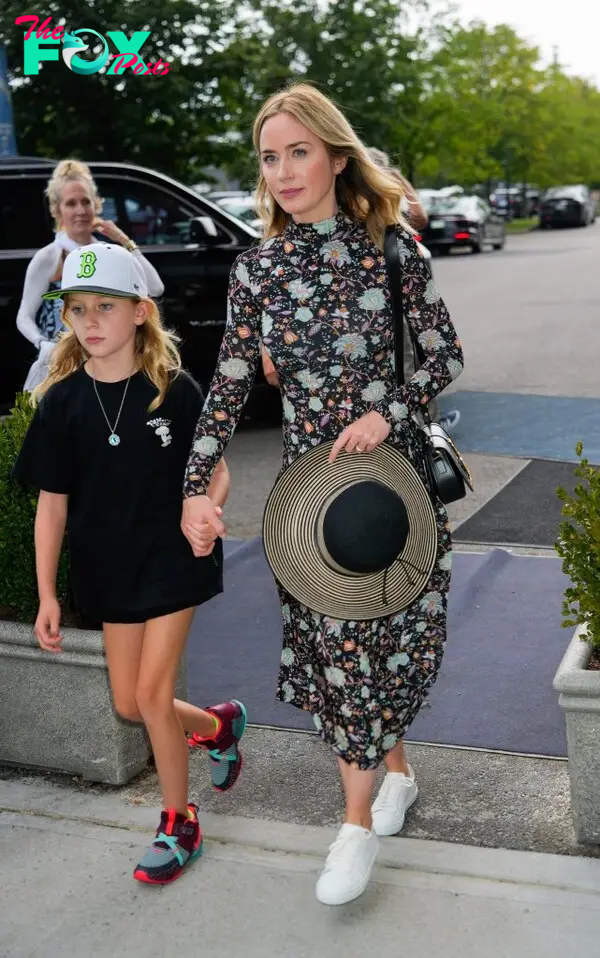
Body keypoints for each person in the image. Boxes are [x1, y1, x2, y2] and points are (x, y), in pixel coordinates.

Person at [181, 83, 464, 905]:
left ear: (338, 156)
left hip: (397, 488)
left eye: (298, 151)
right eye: (270, 157)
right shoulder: (257, 270)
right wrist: (195, 482)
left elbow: (443, 353)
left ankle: (395, 773)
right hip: (312, 505)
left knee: (396, 646)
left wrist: (389, 409)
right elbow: (227, 386)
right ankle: (353, 826)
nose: (283, 170)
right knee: (342, 654)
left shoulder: (393, 248)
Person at [12, 243, 247, 886]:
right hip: (108, 571)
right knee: (129, 701)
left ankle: (179, 821)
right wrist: (47, 595)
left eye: (105, 307)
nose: (90, 321)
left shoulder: (172, 389)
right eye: (77, 309)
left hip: (172, 561)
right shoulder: (60, 402)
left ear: (140, 312)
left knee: (149, 693)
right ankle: (218, 726)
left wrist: (204, 511)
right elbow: (50, 510)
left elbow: (216, 472)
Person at [16, 159, 165, 393]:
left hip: (108, 362)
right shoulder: (50, 257)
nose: (80, 210)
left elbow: (154, 288)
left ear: (96, 205)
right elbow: (24, 316)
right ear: (57, 210)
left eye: (86, 201)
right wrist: (43, 344)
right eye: (71, 203)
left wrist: (124, 241)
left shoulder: (109, 253)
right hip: (64, 363)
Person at [367, 147, 461, 434]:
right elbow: (419, 216)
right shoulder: (385, 197)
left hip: (381, 292)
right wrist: (397, 176)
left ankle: (423, 426)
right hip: (392, 291)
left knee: (405, 362)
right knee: (409, 362)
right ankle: (426, 428)